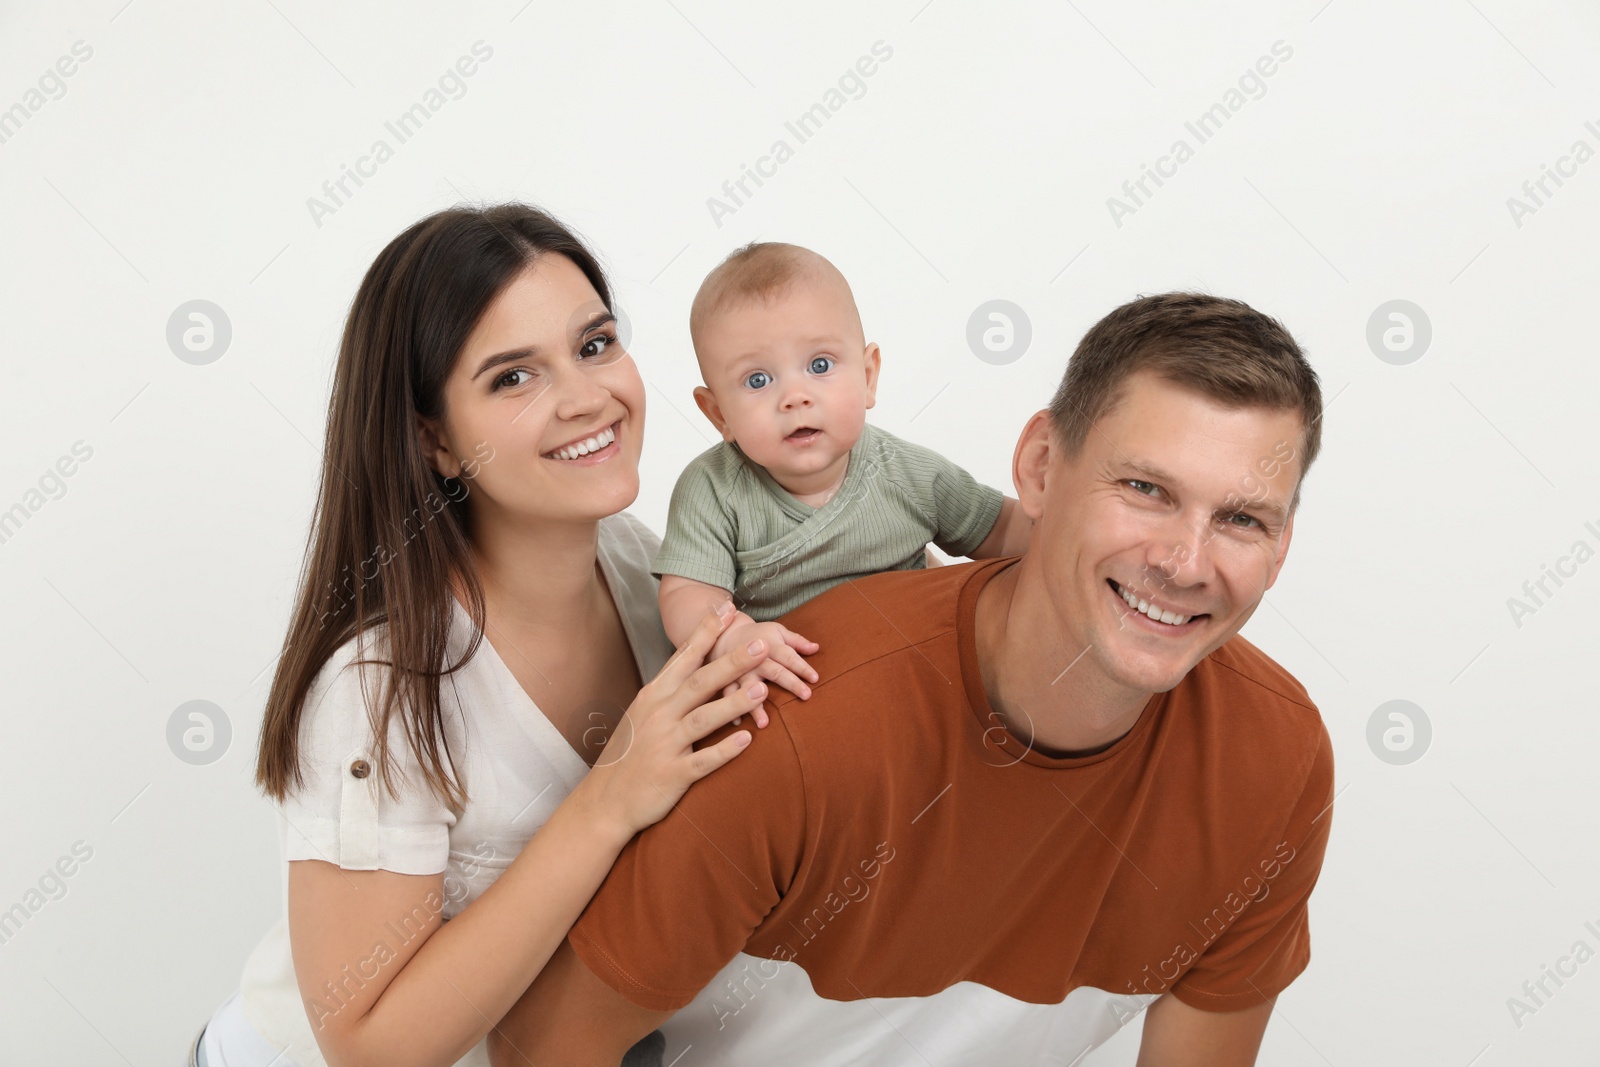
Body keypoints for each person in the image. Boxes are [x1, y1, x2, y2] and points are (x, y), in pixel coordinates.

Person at [488, 292, 1336, 1067]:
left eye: (1240, 518)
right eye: (1146, 489)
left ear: (1283, 543)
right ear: (1040, 466)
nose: (1185, 563)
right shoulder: (796, 722)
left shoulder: (1278, 758)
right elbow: (542, 1053)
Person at [189, 204, 779, 1067]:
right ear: (433, 438)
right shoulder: (377, 687)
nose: (587, 398)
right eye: (513, 377)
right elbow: (370, 1048)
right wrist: (611, 794)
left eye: (594, 343)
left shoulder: (641, 566)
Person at [654, 242, 1034, 708]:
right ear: (719, 415)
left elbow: (1002, 530)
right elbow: (689, 591)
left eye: (820, 365)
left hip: (920, 678)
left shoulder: (909, 474)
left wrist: (1066, 531)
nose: (795, 396)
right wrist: (734, 637)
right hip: (795, 692)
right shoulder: (714, 490)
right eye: (758, 380)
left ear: (869, 375)